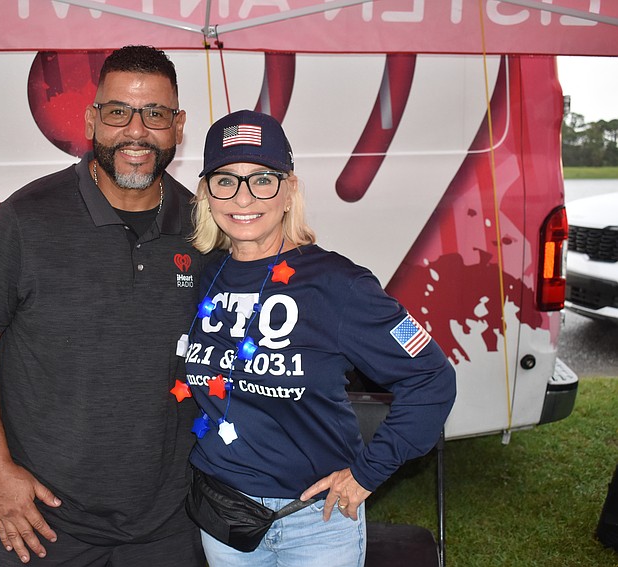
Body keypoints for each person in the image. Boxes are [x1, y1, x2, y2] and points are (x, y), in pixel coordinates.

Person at [0, 45, 208, 566]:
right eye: (118, 112)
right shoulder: (23, 221)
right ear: (92, 120)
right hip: (45, 520)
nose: (136, 131)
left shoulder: (205, 228)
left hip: (172, 522)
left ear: (178, 127)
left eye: (155, 114)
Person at [181, 109, 457, 566]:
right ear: (207, 195)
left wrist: (366, 474)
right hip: (225, 516)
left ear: (289, 191)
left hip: (317, 521)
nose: (243, 196)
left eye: (262, 179)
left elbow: (431, 377)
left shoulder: (339, 284)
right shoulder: (204, 277)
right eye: (225, 180)